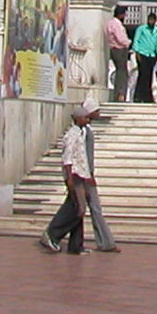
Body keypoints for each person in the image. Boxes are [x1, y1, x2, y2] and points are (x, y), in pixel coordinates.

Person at [40, 99, 118, 254]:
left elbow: (83, 157)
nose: (88, 119)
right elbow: (68, 158)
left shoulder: (82, 133)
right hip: (75, 176)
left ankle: (75, 246)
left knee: (78, 209)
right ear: (78, 118)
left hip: (82, 176)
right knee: (78, 209)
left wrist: (88, 175)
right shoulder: (72, 135)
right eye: (86, 117)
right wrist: (69, 178)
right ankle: (53, 234)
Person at [132, 12, 157, 102]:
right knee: (142, 75)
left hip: (152, 55)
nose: (151, 22)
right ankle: (138, 96)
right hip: (142, 53)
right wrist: (137, 52)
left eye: (153, 20)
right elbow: (136, 40)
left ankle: (147, 97)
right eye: (150, 20)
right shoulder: (141, 29)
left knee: (149, 76)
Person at [105, 6, 131, 101]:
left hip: (113, 48)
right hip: (119, 49)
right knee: (122, 73)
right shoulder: (117, 24)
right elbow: (120, 39)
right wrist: (128, 42)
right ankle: (120, 94)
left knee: (120, 71)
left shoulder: (109, 23)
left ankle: (119, 93)